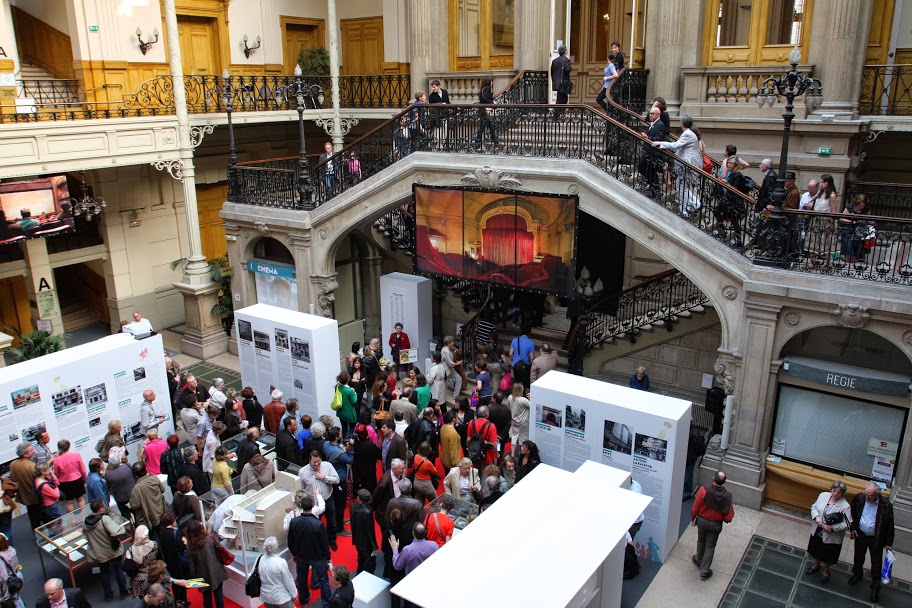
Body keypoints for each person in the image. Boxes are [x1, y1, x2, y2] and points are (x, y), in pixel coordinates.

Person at [848, 481, 895, 603]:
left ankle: (875, 587)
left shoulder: (886, 505)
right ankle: (857, 574)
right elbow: (853, 512)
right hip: (861, 534)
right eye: (866, 494)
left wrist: (889, 543)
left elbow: (890, 525)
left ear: (877, 494)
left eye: (870, 496)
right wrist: (853, 528)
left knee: (876, 564)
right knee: (858, 557)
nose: (867, 497)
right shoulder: (860, 498)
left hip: (876, 538)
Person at [287, 494, 331, 608]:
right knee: (324, 581)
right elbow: (324, 543)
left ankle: (303, 601)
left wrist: (294, 553)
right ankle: (326, 604)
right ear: (312, 506)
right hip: (317, 557)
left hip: (301, 557)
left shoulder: (294, 522)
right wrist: (328, 557)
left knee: (302, 579)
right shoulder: (318, 524)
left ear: (301, 506)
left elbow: (290, 540)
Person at [690, 470, 735, 581]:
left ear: (713, 478)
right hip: (716, 524)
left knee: (701, 540)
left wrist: (693, 517)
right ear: (724, 482)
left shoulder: (704, 490)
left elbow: (695, 507)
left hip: (702, 521)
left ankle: (698, 559)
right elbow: (729, 516)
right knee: (710, 546)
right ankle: (704, 572)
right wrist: (722, 519)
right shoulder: (728, 496)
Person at [654, 114, 703, 215]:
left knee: (682, 187)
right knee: (681, 186)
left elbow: (676, 145)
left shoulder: (688, 134)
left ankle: (685, 210)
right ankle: (694, 205)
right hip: (686, 163)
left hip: (685, 163)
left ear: (682, 123)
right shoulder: (690, 133)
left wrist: (660, 143)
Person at [805, 481, 852, 584]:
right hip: (818, 528)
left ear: (842, 494)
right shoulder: (823, 495)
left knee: (828, 553)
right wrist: (817, 517)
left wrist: (831, 528)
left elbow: (847, 524)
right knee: (817, 548)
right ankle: (816, 566)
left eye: (838, 493)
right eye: (834, 491)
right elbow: (814, 507)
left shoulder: (845, 506)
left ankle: (826, 571)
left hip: (832, 535)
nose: (835, 494)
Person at [83, 498, 129, 602]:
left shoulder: (86, 522)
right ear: (100, 509)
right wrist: (122, 529)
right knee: (119, 571)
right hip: (112, 550)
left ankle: (108, 595)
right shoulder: (104, 519)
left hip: (99, 552)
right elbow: (116, 531)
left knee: (104, 573)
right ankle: (123, 592)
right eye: (103, 506)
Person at [299, 451, 340, 551]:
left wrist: (324, 477)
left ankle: (332, 540)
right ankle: (318, 542)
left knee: (332, 522)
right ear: (309, 461)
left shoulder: (327, 466)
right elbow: (301, 488)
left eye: (318, 461)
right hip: (313, 503)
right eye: (314, 462)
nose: (317, 464)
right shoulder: (302, 471)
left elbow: (337, 480)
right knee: (315, 524)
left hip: (328, 498)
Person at [184, 520, 228, 608]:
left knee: (206, 597)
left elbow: (191, 566)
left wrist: (194, 579)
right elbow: (220, 548)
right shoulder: (209, 538)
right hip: (216, 570)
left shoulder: (190, 546)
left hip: (202, 575)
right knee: (218, 594)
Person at [322, 427, 354, 536]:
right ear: (336, 437)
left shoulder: (326, 445)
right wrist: (350, 449)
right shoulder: (338, 452)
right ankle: (340, 528)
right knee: (340, 505)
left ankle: (337, 521)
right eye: (340, 434)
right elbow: (350, 460)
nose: (342, 435)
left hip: (331, 479)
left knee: (335, 503)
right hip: (339, 480)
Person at [128, 462, 167, 539]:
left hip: (148, 518)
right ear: (145, 469)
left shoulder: (136, 489)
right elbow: (162, 490)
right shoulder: (154, 478)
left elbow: (135, 505)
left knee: (153, 538)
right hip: (160, 511)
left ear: (135, 475)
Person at [157, 512, 188, 607]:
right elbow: (181, 548)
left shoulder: (161, 532)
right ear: (172, 521)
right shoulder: (176, 533)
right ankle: (183, 603)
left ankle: (178, 601)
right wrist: (185, 542)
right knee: (181, 582)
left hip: (169, 561)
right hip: (178, 562)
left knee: (175, 581)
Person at [258, 536, 297, 608]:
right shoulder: (280, 562)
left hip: (266, 596)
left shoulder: (260, 559)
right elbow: (288, 581)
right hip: (281, 596)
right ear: (276, 547)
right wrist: (294, 594)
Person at [53, 439, 88, 512]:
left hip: (64, 482)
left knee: (69, 502)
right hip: (77, 479)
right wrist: (85, 479)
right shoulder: (76, 455)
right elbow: (83, 469)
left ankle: (72, 520)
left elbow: (56, 473)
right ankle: (84, 516)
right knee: (80, 499)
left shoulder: (56, 460)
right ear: (69, 446)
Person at [126, 525, 158, 597]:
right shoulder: (154, 544)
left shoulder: (131, 550)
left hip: (140, 578)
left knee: (144, 596)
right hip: (153, 572)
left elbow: (127, 567)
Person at [350, 489, 377, 575]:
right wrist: (374, 545)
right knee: (368, 561)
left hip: (357, 538)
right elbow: (370, 530)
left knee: (361, 557)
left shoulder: (353, 507)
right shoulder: (367, 512)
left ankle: (359, 573)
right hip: (365, 540)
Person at [474, 77, 500, 149]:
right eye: (491, 82)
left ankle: (496, 143)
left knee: (491, 127)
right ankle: (477, 144)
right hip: (485, 112)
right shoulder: (487, 88)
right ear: (488, 82)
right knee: (483, 128)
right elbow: (485, 98)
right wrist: (492, 103)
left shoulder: (483, 89)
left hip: (483, 111)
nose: (492, 83)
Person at [683, 424, 706, 499]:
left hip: (689, 457)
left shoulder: (693, 433)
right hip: (689, 456)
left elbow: (699, 447)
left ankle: (687, 493)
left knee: (688, 475)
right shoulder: (694, 432)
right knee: (687, 475)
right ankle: (686, 492)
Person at [507, 384, 530, 457]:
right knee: (523, 437)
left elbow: (508, 407)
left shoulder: (510, 397)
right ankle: (522, 452)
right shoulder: (523, 400)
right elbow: (532, 406)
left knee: (514, 435)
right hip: (523, 422)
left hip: (514, 420)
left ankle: (512, 453)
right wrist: (530, 398)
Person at [550, 44, 572, 119]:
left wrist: (554, 81)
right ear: (565, 52)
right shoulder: (566, 60)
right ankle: (558, 114)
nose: (567, 52)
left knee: (559, 98)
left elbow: (552, 72)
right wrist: (570, 67)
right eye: (566, 50)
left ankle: (557, 114)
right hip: (563, 83)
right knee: (563, 98)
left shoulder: (554, 61)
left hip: (556, 82)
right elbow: (567, 69)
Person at [335, 371, 359, 438]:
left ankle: (343, 439)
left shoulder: (337, 386)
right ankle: (346, 441)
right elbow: (354, 401)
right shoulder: (349, 391)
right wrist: (354, 393)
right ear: (348, 379)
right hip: (349, 413)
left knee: (344, 427)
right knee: (352, 428)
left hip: (341, 411)